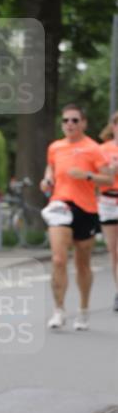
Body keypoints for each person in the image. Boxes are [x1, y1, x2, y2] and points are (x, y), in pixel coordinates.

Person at [40, 103, 113, 331]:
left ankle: (83, 309)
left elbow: (108, 180)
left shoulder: (94, 148)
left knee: (83, 263)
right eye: (65, 120)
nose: (69, 124)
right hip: (60, 204)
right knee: (58, 259)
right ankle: (58, 310)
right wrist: (47, 180)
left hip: (87, 209)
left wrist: (87, 175)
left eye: (74, 120)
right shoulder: (55, 147)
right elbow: (50, 168)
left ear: (83, 123)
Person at [98, 111, 118, 311]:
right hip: (107, 200)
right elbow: (98, 172)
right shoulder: (102, 149)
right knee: (113, 252)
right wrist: (109, 171)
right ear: (113, 127)